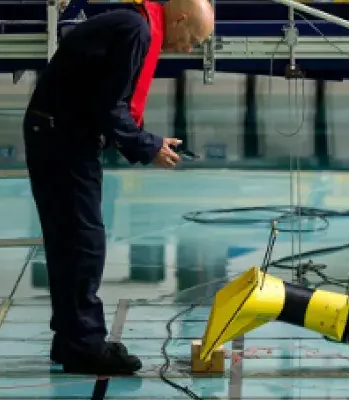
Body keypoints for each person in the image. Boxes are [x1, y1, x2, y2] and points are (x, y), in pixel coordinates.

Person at [22, 0, 214, 375]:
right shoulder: (135, 31)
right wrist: (148, 145)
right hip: (62, 139)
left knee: (72, 242)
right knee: (82, 243)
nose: (189, 49)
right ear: (177, 19)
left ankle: (71, 339)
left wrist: (145, 139)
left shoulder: (132, 24)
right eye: (193, 39)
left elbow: (105, 103)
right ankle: (84, 346)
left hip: (58, 134)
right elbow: (109, 109)